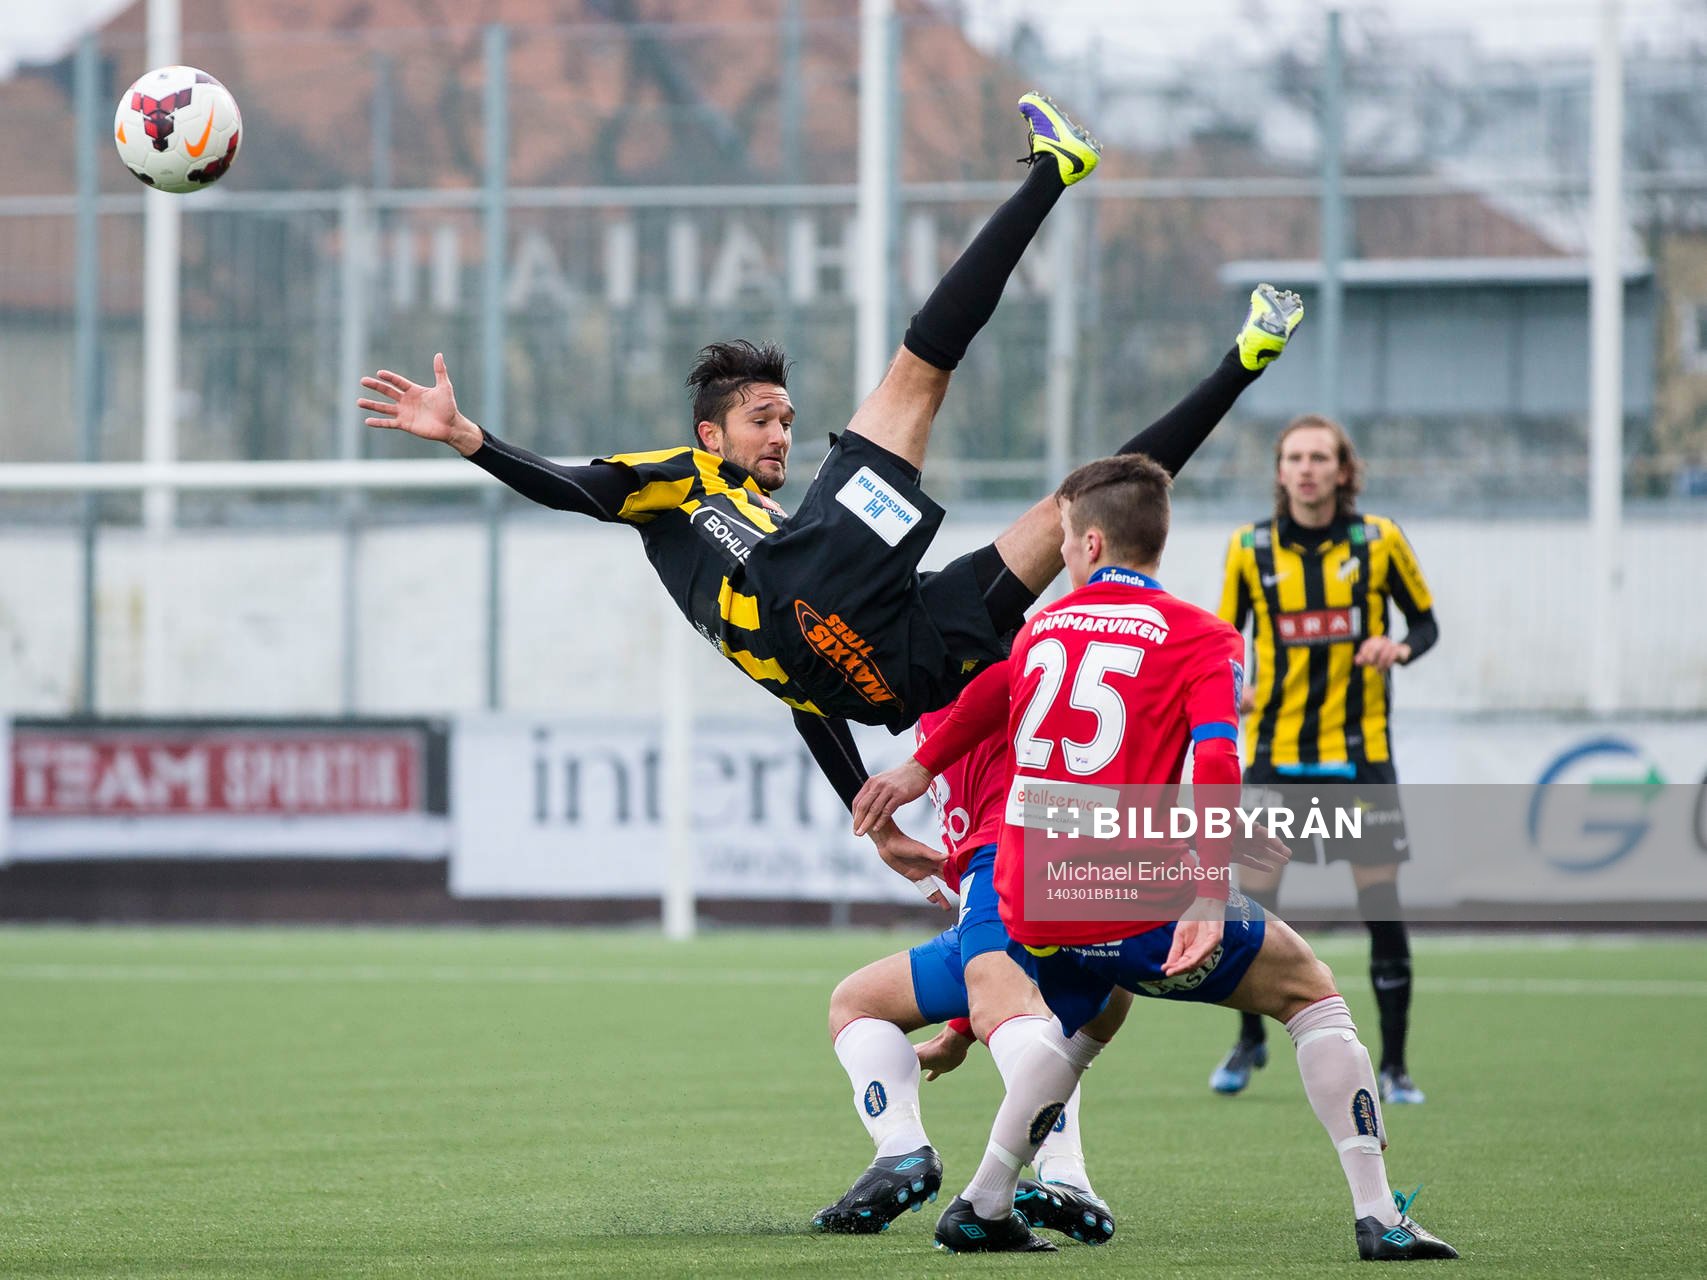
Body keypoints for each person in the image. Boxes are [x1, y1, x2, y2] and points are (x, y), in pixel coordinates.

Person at [357, 88, 1300, 824]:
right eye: (763, 419)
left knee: (1084, 505)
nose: (780, 435)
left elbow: (805, 687)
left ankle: (1241, 364)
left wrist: (863, 798)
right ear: (709, 435)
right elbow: (571, 488)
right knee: (919, 369)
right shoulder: (677, 483)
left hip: (880, 666)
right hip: (825, 598)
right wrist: (470, 439)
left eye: (786, 419)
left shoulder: (780, 525)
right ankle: (1053, 171)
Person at [852, 454, 1457, 1261]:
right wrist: (1208, 889)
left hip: (1029, 889)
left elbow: (993, 692)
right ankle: (1379, 1215)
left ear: (1092, 545)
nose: (1061, 554)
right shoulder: (1200, 636)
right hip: (1121, 888)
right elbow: (1213, 759)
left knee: (1087, 1015)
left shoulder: (1041, 630)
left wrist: (916, 768)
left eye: (1064, 540)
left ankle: (982, 1204)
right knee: (1311, 994)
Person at [811, 313, 1305, 1242]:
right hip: (1063, 864)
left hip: (1019, 859)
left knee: (963, 1007)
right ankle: (1036, 1169)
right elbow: (1112, 502)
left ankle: (973, 1163)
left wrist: (909, 768)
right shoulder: (950, 650)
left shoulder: (983, 631)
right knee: (1085, 1006)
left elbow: (1111, 490)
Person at [1207, 415, 1438, 1105]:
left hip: (1358, 756)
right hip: (1276, 754)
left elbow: (1424, 622)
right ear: (1279, 472)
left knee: (1380, 906)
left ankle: (1394, 1065)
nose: (1307, 469)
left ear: (1343, 470)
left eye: (1320, 458)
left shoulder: (1380, 541)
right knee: (1248, 909)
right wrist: (1233, 685)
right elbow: (1224, 638)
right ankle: (1247, 1042)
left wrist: (1398, 648)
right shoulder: (1249, 548)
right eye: (1294, 458)